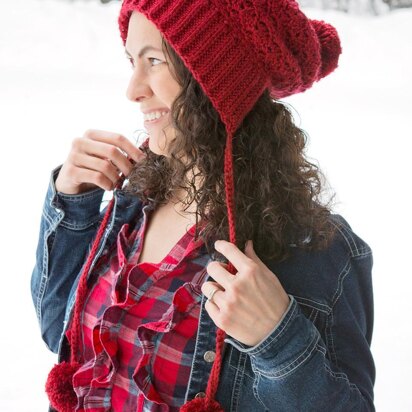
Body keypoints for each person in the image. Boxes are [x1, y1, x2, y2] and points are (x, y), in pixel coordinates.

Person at [31, 0, 376, 411]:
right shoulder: (132, 200)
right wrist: (71, 203)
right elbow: (60, 335)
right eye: (131, 61)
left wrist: (277, 340)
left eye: (154, 60)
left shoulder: (314, 252)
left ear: (218, 78)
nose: (133, 90)